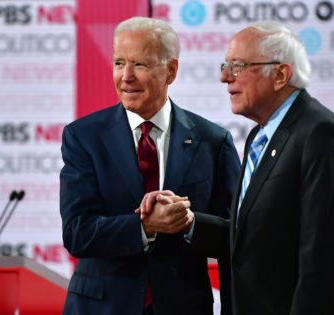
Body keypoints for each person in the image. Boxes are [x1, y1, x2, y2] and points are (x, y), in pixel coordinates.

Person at [141, 22, 334, 315]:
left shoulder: (319, 134)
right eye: (226, 65)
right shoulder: (260, 136)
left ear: (280, 75)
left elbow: (323, 259)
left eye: (237, 66)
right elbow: (251, 238)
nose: (225, 77)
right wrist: (189, 221)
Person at [59, 16, 240, 315]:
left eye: (140, 65)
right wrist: (145, 225)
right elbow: (77, 232)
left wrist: (190, 222)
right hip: (101, 307)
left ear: (171, 70)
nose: (126, 76)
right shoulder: (84, 137)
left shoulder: (212, 140)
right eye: (119, 63)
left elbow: (233, 236)